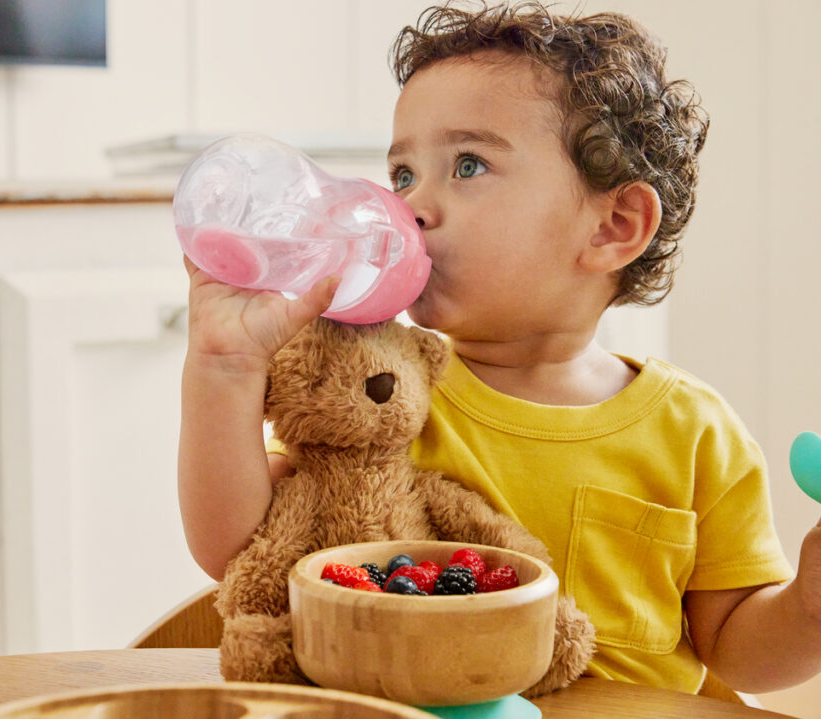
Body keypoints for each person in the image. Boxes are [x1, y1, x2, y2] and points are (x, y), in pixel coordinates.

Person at [177, 1, 821, 695]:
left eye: (468, 164)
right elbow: (239, 547)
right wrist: (224, 365)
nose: (413, 207)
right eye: (402, 174)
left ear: (614, 225)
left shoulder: (699, 432)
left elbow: (742, 653)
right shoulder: (381, 389)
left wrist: (810, 608)